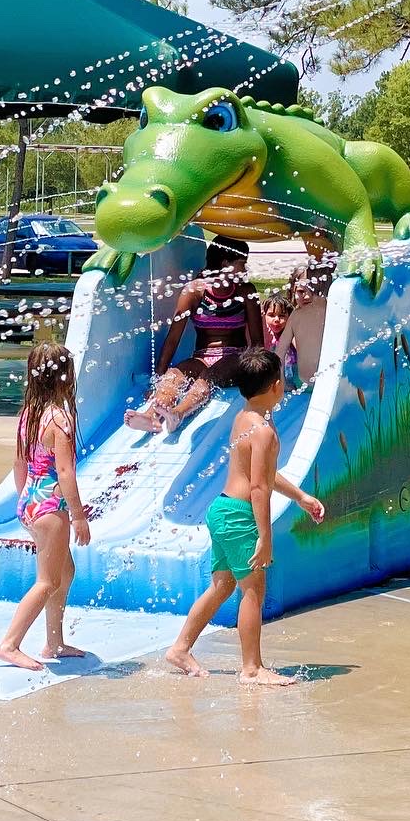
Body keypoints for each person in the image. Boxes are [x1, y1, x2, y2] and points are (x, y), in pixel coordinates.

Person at [165, 347, 324, 684]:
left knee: (222, 585)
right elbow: (258, 489)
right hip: (238, 515)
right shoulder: (264, 431)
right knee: (253, 590)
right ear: (278, 385)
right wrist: (264, 537)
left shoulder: (244, 417)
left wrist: (300, 497)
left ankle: (180, 648)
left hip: (221, 508)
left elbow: (263, 474)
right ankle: (252, 668)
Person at [0, 344, 91, 671]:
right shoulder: (59, 419)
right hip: (50, 507)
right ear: (67, 376)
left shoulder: (29, 414)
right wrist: (77, 516)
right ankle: (10, 644)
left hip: (31, 499)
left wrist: (26, 502)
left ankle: (54, 642)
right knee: (47, 580)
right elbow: (65, 472)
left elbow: (19, 463)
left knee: (66, 572)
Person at [124, 237, 262, 434]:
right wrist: (159, 377)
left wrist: (258, 377)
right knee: (176, 374)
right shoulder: (194, 291)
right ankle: (151, 416)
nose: (245, 269)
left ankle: (178, 413)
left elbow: (257, 342)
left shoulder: (247, 291)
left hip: (235, 357)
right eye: (242, 264)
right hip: (202, 356)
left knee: (208, 377)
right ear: (225, 264)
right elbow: (173, 338)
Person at [275, 258, 333, 387]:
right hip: (303, 382)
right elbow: (280, 352)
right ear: (293, 291)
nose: (306, 296)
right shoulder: (296, 316)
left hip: (328, 381)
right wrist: (281, 383)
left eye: (312, 290)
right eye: (301, 291)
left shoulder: (329, 312)